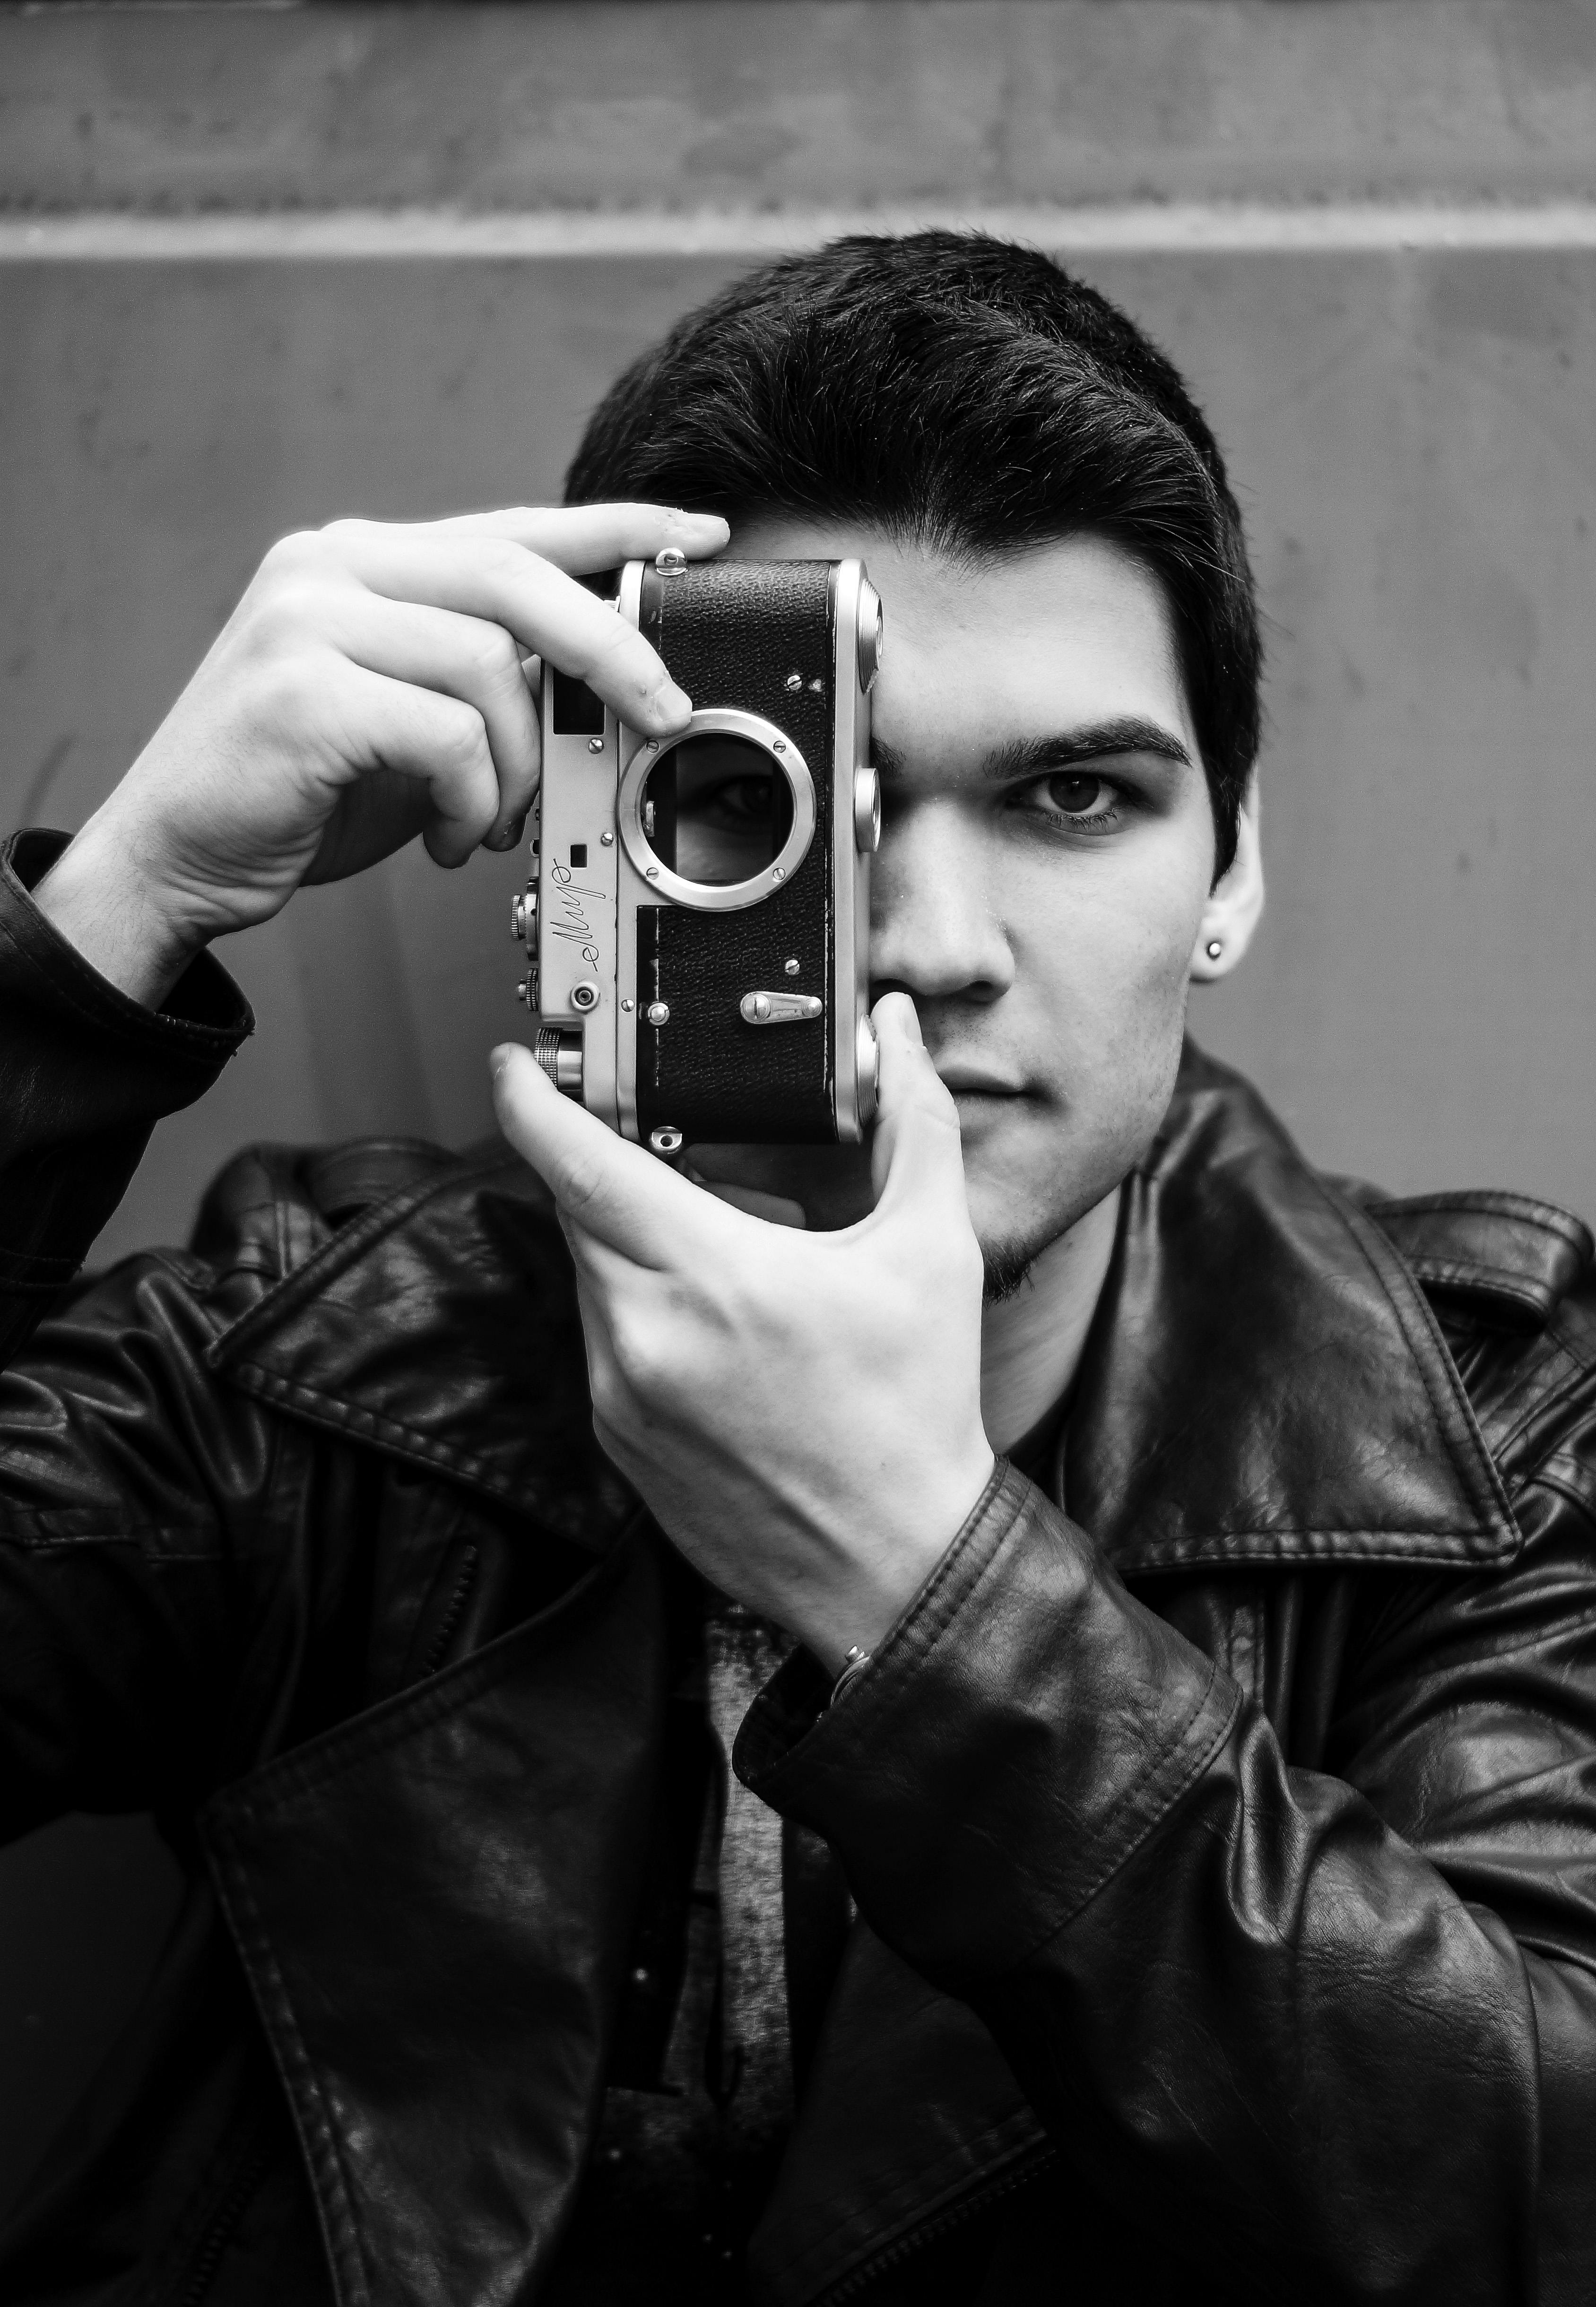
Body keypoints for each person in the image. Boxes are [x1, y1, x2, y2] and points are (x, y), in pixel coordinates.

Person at [2, 231, 1593, 2307]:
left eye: (1077, 795)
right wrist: (116, 917)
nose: (930, 943)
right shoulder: (316, 1362)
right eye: (779, 800)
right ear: (589, 839)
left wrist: (924, 1585)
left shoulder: (1486, 1429)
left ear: (1236, 859)